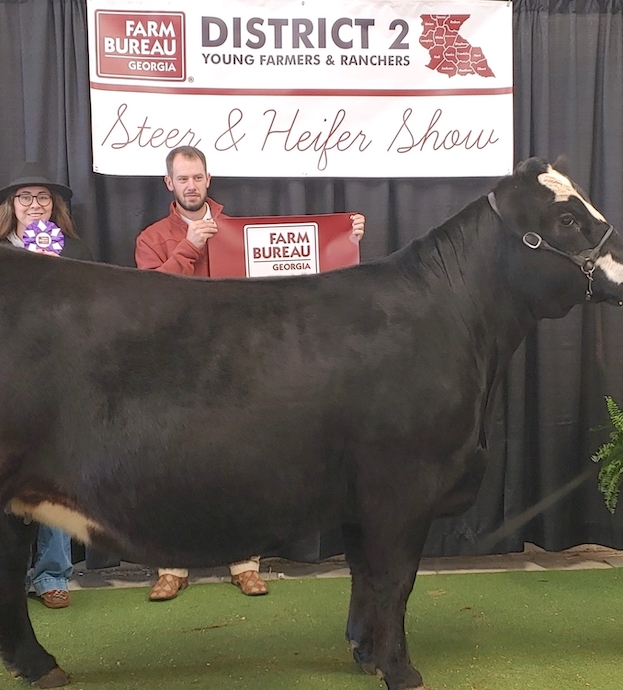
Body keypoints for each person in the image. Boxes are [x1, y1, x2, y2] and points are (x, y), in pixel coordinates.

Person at [135, 145, 365, 601]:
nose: (191, 185)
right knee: (173, 466)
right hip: (176, 367)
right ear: (169, 184)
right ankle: (171, 566)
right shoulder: (152, 237)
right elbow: (146, 299)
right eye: (183, 179)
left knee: (240, 464)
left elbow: (297, 265)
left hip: (235, 363)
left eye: (198, 177)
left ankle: (245, 562)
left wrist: (344, 238)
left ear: (208, 179)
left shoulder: (239, 233)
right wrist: (189, 246)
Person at [0, 171, 88, 609]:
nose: (34, 204)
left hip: (56, 382)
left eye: (43, 197)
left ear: (55, 207)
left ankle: (52, 574)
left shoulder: (75, 254)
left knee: (52, 479)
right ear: (10, 207)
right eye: (24, 197)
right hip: (6, 382)